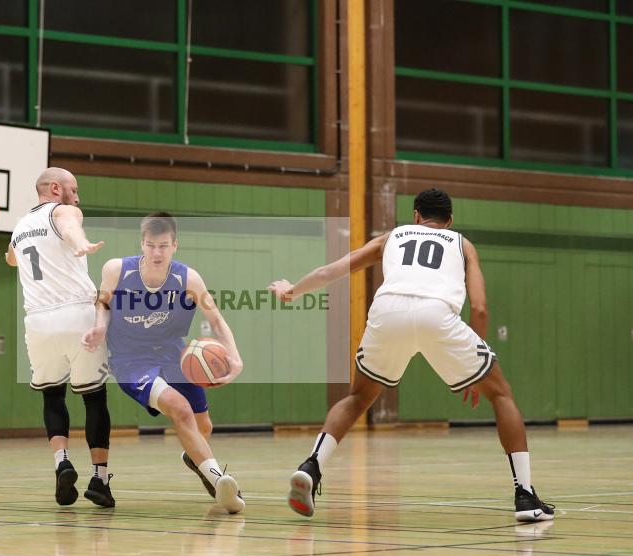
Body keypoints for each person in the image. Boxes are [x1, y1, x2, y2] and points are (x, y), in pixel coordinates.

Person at [269, 188, 555, 522]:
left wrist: (291, 291)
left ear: (416, 215)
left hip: (387, 310)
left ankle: (312, 466)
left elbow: (332, 270)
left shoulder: (392, 236)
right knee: (501, 394)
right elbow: (479, 308)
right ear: (449, 221)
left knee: (358, 398)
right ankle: (525, 495)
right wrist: (474, 367)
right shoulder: (462, 244)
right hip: (437, 314)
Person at [82, 212, 246, 514]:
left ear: (175, 246)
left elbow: (216, 320)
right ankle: (219, 481)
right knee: (180, 408)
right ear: (142, 244)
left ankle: (195, 458)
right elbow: (102, 303)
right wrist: (100, 327)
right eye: (150, 245)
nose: (156, 253)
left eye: (163, 246)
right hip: (131, 360)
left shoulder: (188, 279)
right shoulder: (117, 270)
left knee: (203, 425)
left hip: (173, 355)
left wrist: (234, 357)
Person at [7, 167, 115, 508]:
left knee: (52, 395)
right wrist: (81, 244)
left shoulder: (20, 227)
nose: (77, 197)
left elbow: (11, 259)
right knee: (94, 397)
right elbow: (70, 227)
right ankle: (99, 479)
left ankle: (62, 462)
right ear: (56, 188)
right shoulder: (64, 211)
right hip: (77, 315)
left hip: (38, 322)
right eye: (74, 189)